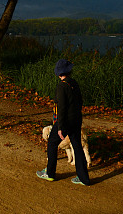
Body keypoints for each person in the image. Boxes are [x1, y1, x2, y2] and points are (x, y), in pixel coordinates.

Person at [36, 58, 91, 186]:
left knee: (52, 143)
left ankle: (49, 173)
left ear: (59, 73)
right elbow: (80, 102)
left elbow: (61, 108)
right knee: (77, 147)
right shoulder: (74, 83)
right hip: (77, 119)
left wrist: (60, 127)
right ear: (69, 71)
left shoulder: (61, 86)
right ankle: (84, 178)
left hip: (65, 121)